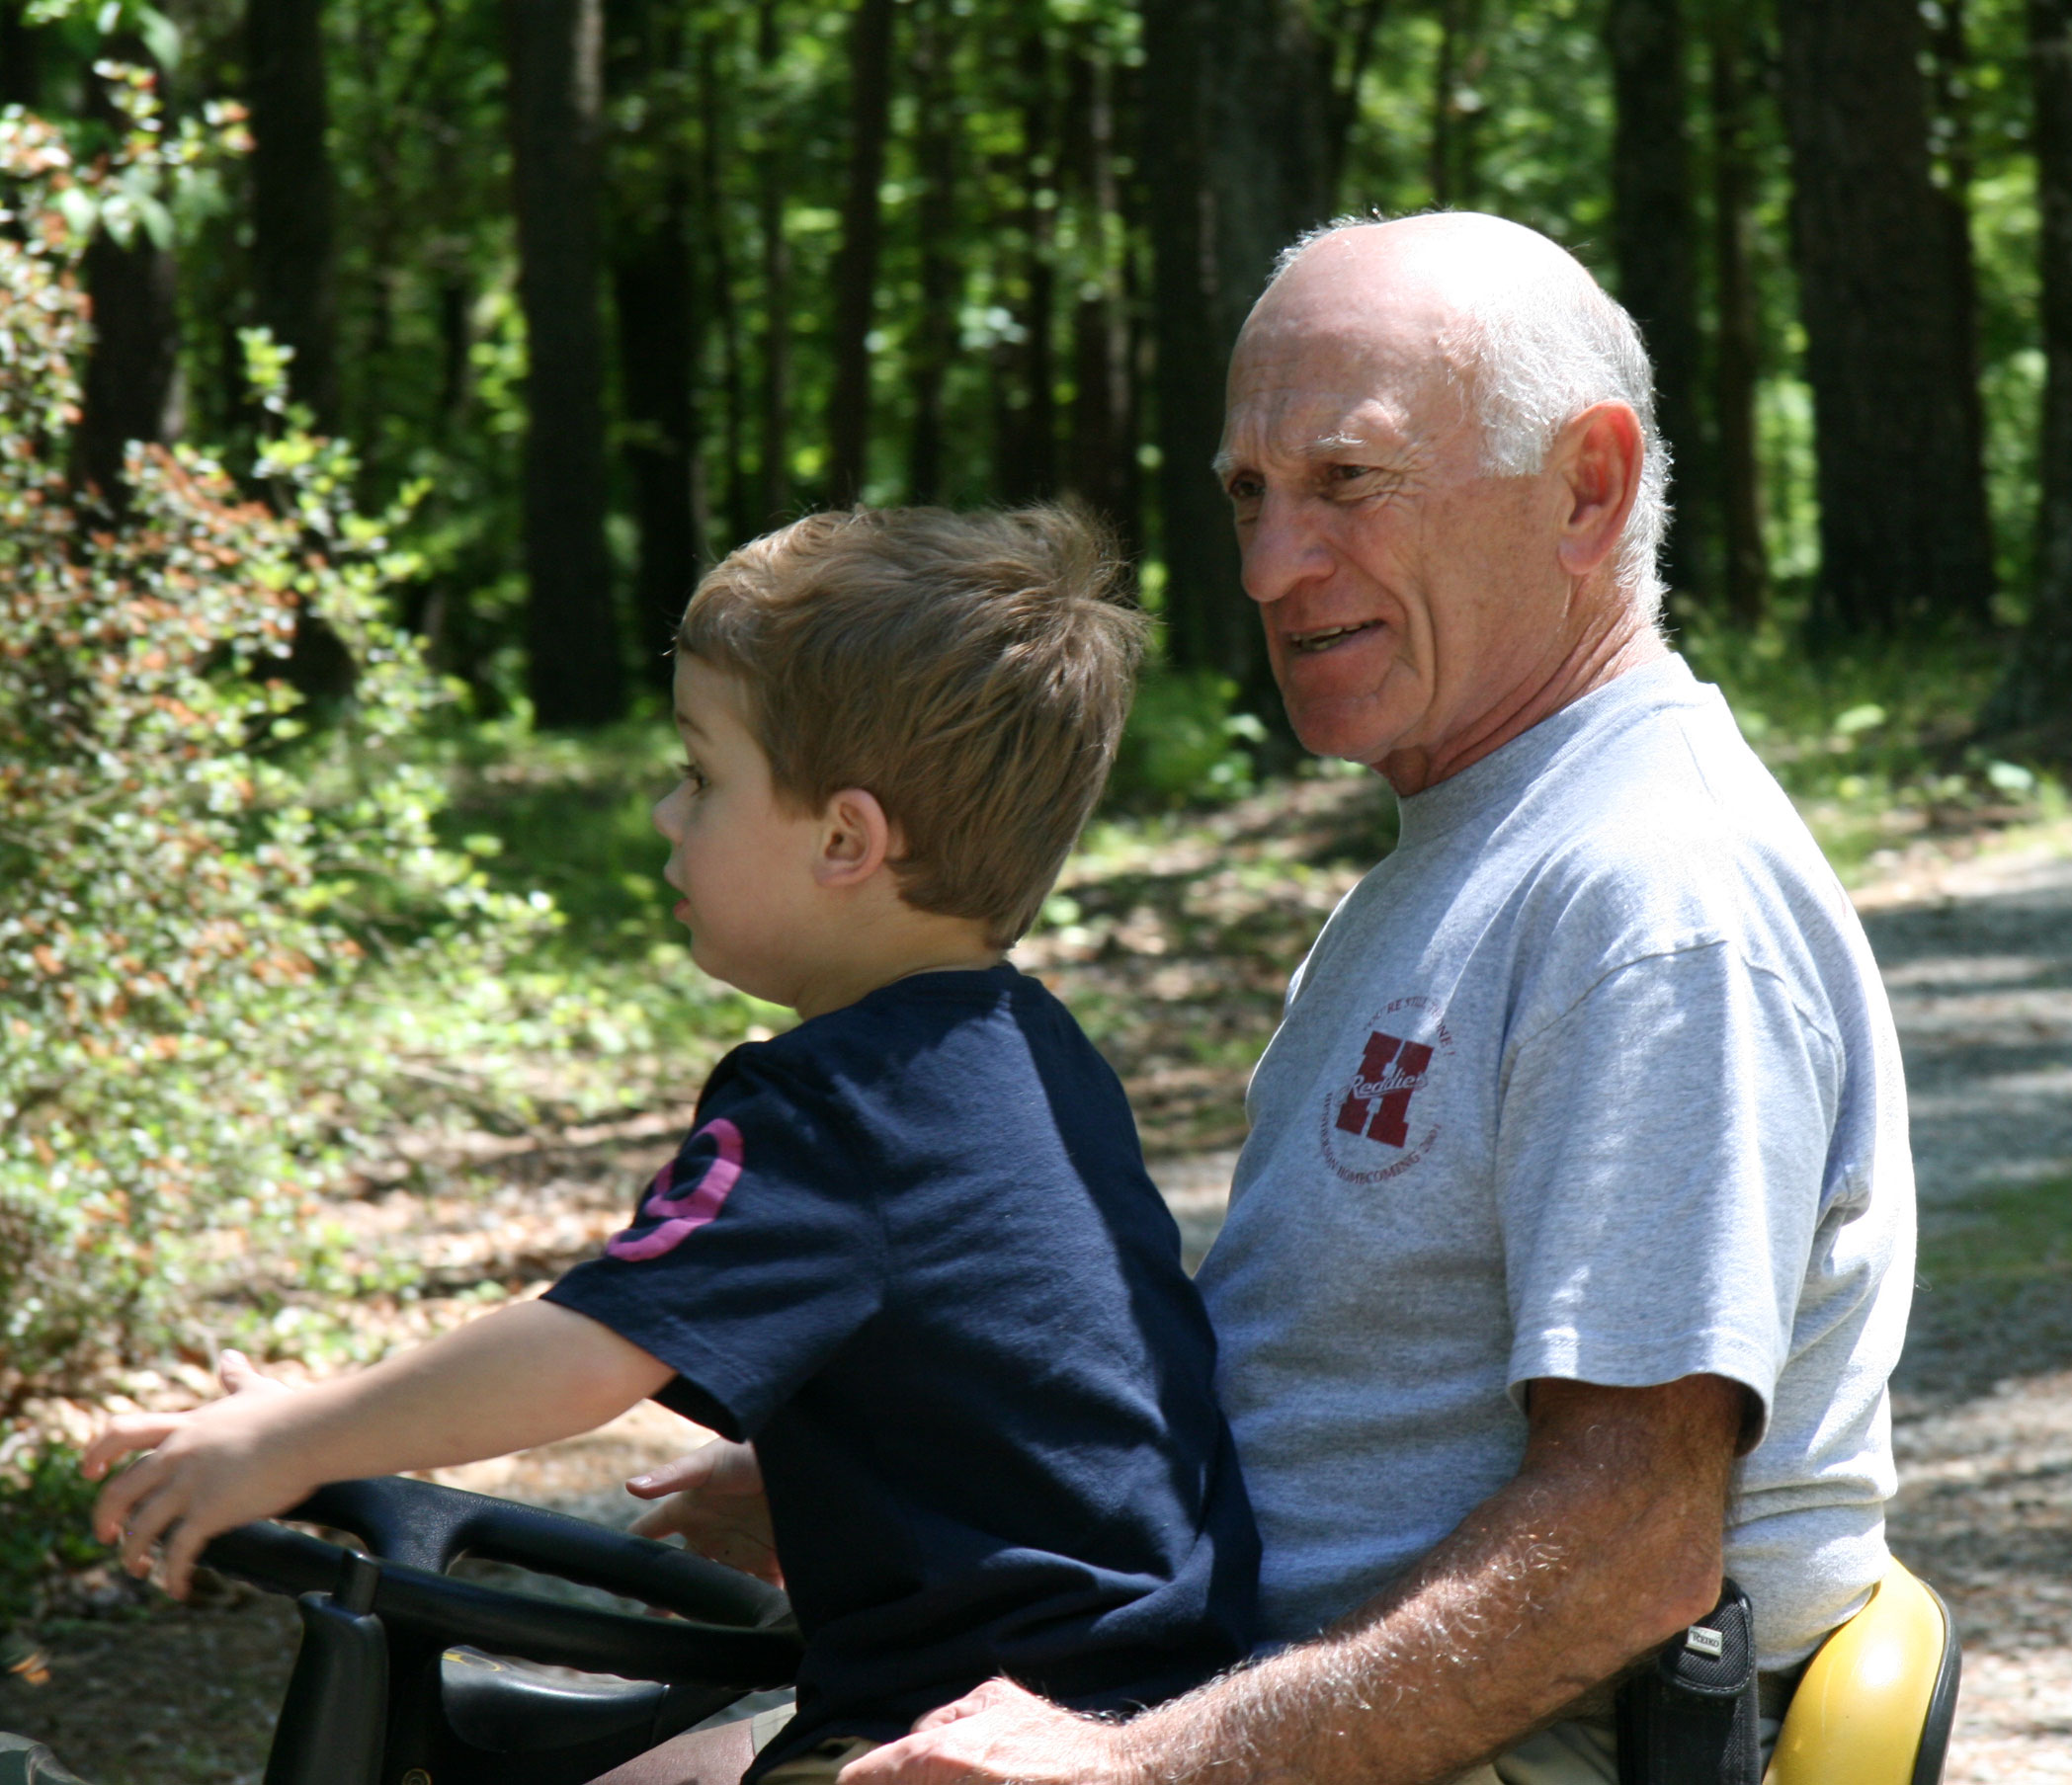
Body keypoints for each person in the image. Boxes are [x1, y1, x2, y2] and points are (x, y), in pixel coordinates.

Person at [821, 213, 1914, 1784]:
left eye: (1346, 480)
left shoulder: (1651, 894)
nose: (1268, 566)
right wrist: (942, 1492)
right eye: (1247, 494)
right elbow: (1320, 1400)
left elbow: (1626, 1552)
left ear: (1585, 489)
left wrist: (1138, 1768)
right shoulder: (1475, 849)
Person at [82, 506, 1259, 1785]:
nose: (661, 812)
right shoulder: (1029, 1053)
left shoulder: (836, 1106)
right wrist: (829, 1472)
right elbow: (1037, 1383)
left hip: (968, 1745)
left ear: (844, 840)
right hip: (1155, 1712)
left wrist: (292, 1437)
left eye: (701, 776)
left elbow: (587, 1350)